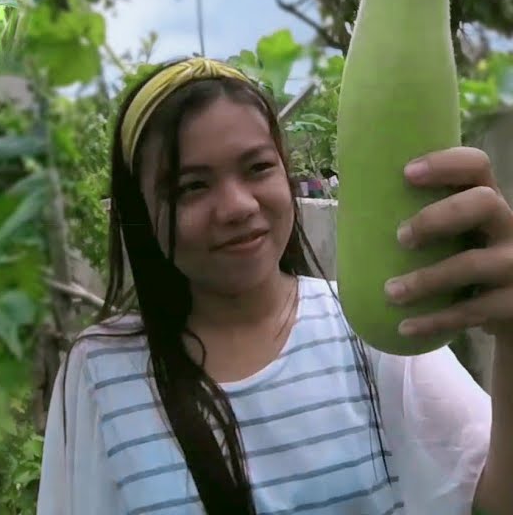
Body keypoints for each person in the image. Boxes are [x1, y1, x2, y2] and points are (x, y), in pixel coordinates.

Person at [37, 56, 508, 514]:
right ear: (142, 212)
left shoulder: (368, 326)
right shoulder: (100, 369)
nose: (238, 206)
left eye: (258, 168)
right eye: (191, 187)